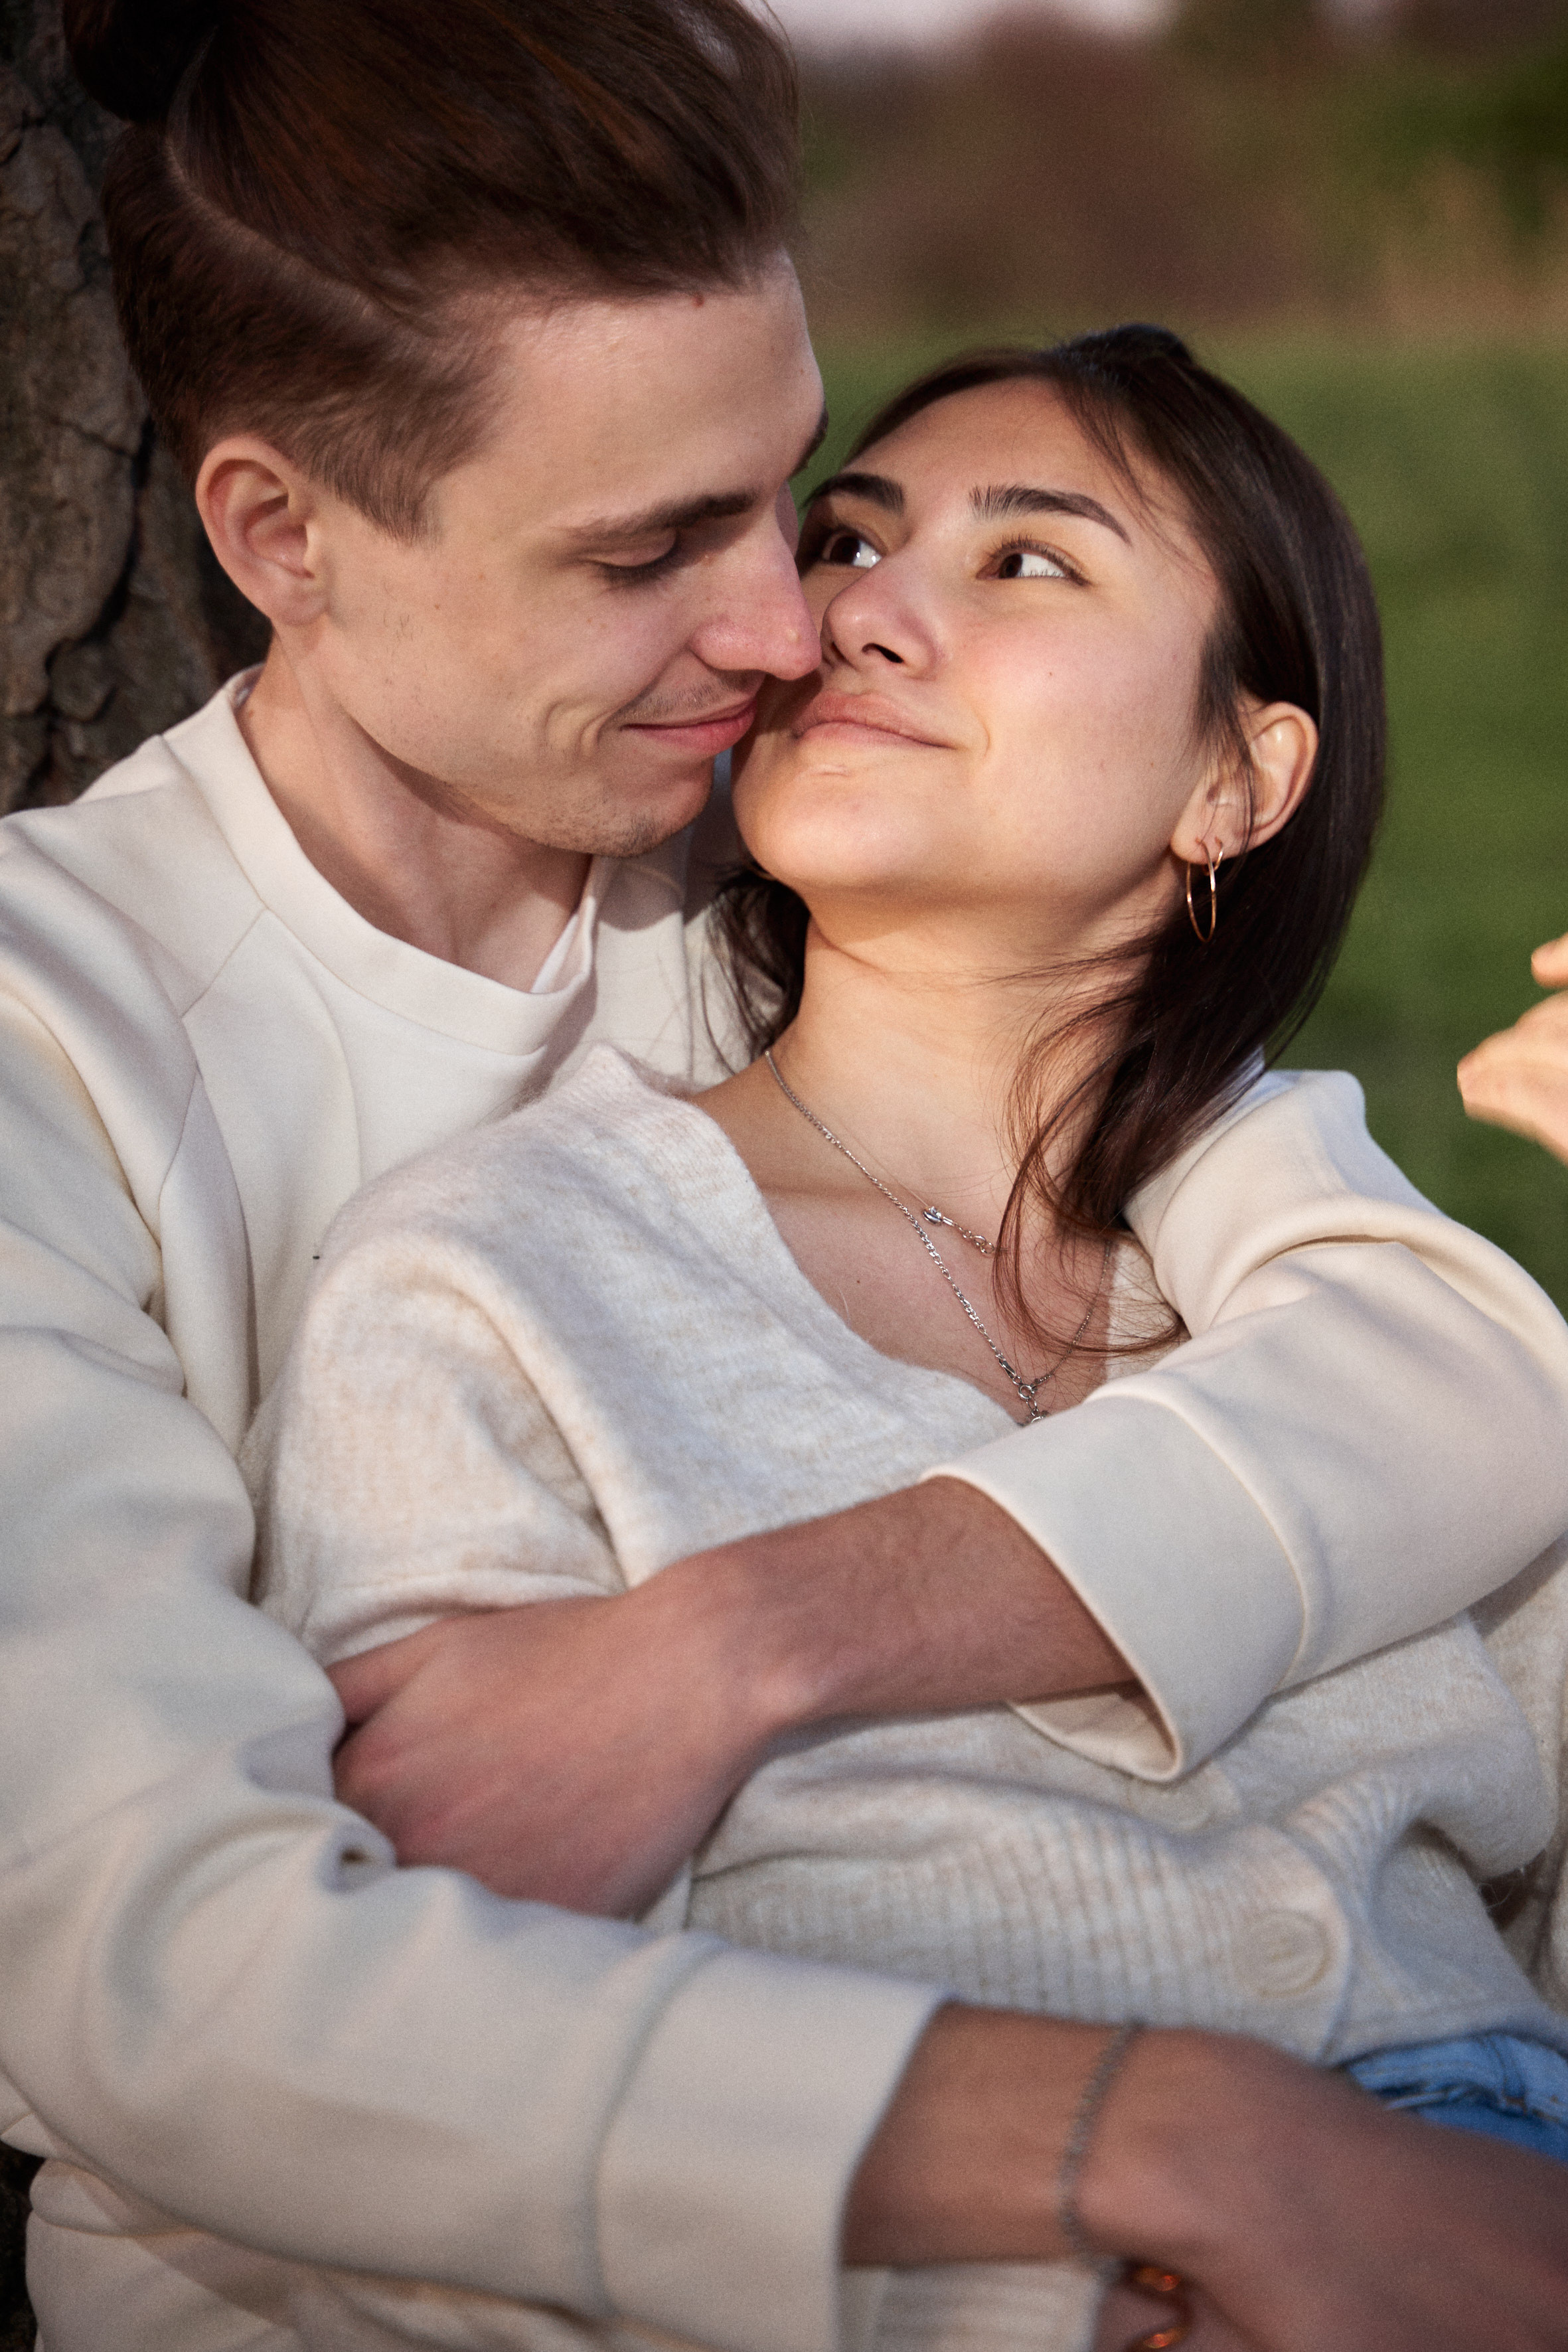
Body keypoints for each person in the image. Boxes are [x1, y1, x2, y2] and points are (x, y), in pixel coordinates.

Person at [2, 1, 1567, 2347]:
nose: (788, 628)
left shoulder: (817, 902)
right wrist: (1178, 2152)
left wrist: (743, 1642)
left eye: (789, 489)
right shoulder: (58, 1042)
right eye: (654, 548)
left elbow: (1433, 1353)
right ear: (278, 539)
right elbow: (182, 1973)